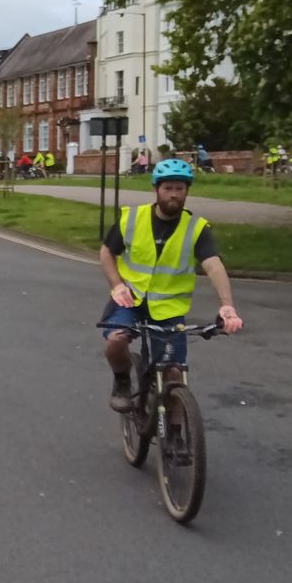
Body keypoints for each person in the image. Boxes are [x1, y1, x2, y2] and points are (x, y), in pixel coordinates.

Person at [99, 159, 244, 412]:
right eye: (168, 188)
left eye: (179, 188)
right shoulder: (132, 218)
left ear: (187, 191)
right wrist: (117, 285)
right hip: (130, 298)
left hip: (168, 307)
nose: (174, 194)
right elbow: (106, 252)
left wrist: (227, 306)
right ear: (156, 190)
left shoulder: (196, 229)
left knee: (174, 373)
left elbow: (213, 266)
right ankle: (122, 381)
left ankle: (177, 437)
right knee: (116, 340)